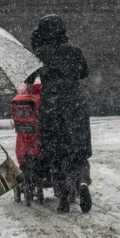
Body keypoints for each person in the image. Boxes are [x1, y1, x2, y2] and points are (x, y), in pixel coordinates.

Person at [27, 15, 92, 214]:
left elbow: (29, 78)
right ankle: (81, 181)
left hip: (52, 107)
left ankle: (63, 196)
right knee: (78, 149)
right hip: (76, 106)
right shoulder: (74, 51)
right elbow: (84, 73)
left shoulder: (41, 53)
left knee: (57, 152)